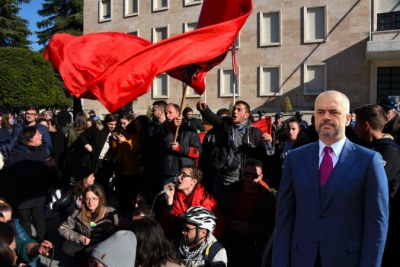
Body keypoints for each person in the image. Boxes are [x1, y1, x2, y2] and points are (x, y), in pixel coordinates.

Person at [272, 90, 389, 267]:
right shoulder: (295, 159)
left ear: (348, 119)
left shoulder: (368, 161)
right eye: (320, 112)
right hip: (301, 259)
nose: (326, 117)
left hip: (347, 260)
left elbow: (377, 224)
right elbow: (284, 219)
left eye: (334, 112)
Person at [353, 104, 400, 267]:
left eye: (356, 122)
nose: (354, 127)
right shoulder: (366, 148)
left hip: (383, 222)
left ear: (366, 125)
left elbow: (371, 183)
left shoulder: (389, 152)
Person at [197, 100, 266, 203]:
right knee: (216, 208)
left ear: (246, 115)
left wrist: (268, 142)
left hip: (238, 181)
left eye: (239, 110)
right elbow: (214, 119)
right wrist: (204, 110)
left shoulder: (254, 133)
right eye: (234, 109)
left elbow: (265, 155)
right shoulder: (226, 125)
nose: (235, 112)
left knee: (233, 210)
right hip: (220, 178)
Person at [219, 158, 276, 267]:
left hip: (253, 246)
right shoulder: (231, 190)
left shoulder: (268, 198)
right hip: (231, 241)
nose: (249, 178)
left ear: (261, 177)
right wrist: (230, 222)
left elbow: (268, 223)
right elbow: (221, 212)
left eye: (254, 176)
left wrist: (250, 229)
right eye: (247, 174)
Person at [7, 127, 56, 242]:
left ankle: (44, 241)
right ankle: (28, 246)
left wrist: (49, 166)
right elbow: (26, 172)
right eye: (38, 134)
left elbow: (46, 165)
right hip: (23, 198)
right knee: (25, 223)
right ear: (29, 139)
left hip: (38, 195)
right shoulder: (17, 153)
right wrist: (46, 166)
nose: (41, 136)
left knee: (40, 220)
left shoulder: (40, 149)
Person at [162, 166, 224, 240]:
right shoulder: (175, 195)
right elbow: (169, 224)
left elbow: (212, 229)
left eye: (183, 175)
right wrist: (170, 199)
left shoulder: (206, 201)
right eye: (179, 174)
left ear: (194, 182)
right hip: (180, 237)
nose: (179, 177)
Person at [58, 185, 119, 260]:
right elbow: (63, 229)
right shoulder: (77, 213)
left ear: (99, 199)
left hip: (105, 246)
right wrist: (80, 238)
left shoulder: (110, 212)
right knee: (65, 246)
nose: (90, 202)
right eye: (87, 199)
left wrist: (114, 230)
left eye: (94, 198)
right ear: (83, 200)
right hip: (89, 245)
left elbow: (120, 233)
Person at [158, 103, 202, 186]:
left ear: (178, 114)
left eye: (170, 113)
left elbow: (197, 153)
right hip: (168, 174)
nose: (167, 116)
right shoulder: (164, 130)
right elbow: (157, 139)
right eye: (166, 113)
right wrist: (170, 126)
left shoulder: (190, 130)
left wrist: (180, 148)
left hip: (185, 176)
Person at [0, 199, 53, 267]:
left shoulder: (13, 225)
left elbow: (22, 244)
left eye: (8, 221)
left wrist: (36, 248)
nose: (6, 226)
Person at [80, 113, 118, 201]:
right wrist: (87, 145)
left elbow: (116, 148)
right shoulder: (98, 127)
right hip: (94, 160)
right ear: (106, 123)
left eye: (115, 124)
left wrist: (111, 155)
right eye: (110, 124)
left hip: (106, 163)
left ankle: (104, 204)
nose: (113, 126)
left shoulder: (116, 131)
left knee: (104, 185)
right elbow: (83, 136)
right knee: (93, 183)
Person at [111, 112, 143, 217]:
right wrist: (115, 142)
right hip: (120, 170)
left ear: (131, 122)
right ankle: (123, 214)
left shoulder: (136, 136)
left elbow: (135, 151)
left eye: (124, 123)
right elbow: (116, 151)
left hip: (131, 171)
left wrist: (124, 142)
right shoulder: (122, 134)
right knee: (122, 195)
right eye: (121, 124)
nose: (123, 126)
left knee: (130, 196)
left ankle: (130, 214)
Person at [199, 108, 231, 193]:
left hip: (225, 173)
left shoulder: (231, 134)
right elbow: (204, 153)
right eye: (220, 119)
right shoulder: (210, 134)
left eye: (225, 119)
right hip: (210, 172)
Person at [140, 100, 167, 193]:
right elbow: (146, 145)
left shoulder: (169, 126)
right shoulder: (151, 126)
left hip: (163, 165)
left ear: (162, 111)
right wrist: (143, 164)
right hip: (150, 165)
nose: (151, 112)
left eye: (154, 110)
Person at [66, 112, 88, 184]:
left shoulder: (71, 131)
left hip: (75, 155)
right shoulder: (88, 131)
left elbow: (69, 145)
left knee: (75, 178)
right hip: (86, 154)